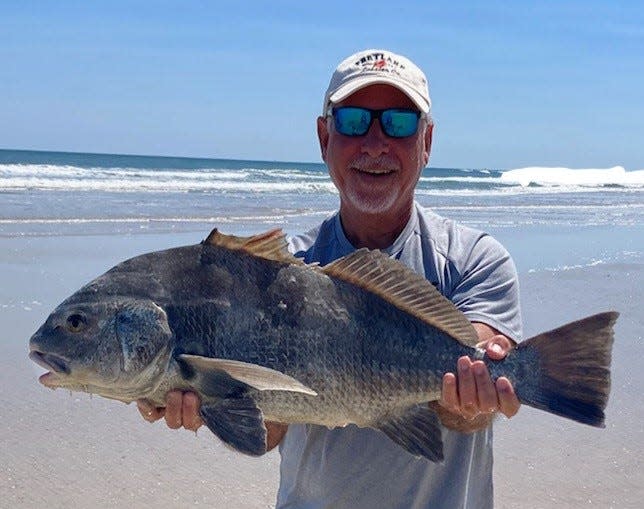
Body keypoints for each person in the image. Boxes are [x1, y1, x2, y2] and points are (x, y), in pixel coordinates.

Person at [137, 49, 523, 508]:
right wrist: (211, 400)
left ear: (427, 142)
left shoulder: (475, 259)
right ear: (325, 137)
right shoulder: (279, 271)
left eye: (399, 123)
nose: (375, 143)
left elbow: (473, 407)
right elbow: (269, 433)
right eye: (355, 120)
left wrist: (478, 390)